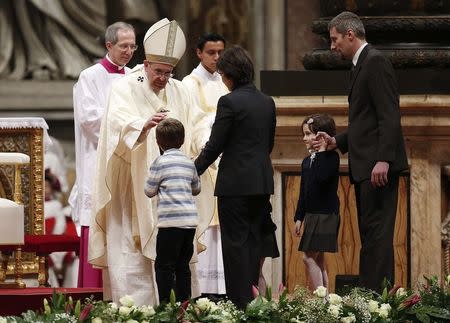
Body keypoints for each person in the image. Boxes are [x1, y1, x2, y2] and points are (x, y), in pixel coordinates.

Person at [88, 18, 209, 306]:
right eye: (158, 72)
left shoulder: (180, 90)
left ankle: (178, 307)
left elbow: (198, 122)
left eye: (168, 73)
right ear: (145, 65)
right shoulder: (125, 87)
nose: (163, 79)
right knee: (134, 250)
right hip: (134, 187)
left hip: (175, 196)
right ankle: (137, 310)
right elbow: (115, 125)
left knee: (176, 259)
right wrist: (142, 126)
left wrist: (205, 141)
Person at [315, 11, 408, 292]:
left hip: (377, 168)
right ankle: (372, 299)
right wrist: (337, 142)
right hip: (367, 166)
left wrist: (384, 159)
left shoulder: (375, 62)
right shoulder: (361, 65)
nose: (332, 46)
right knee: (371, 236)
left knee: (377, 236)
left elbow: (389, 115)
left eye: (335, 40)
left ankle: (377, 302)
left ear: (350, 35)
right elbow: (365, 123)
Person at [195, 45, 276, 309]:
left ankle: (240, 305)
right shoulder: (267, 101)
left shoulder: (228, 101)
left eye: (222, 75)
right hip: (261, 183)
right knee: (254, 245)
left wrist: (192, 170)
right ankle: (254, 303)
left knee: (235, 248)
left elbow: (215, 144)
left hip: (234, 186)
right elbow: (269, 144)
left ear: (230, 75)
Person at [70, 21, 137, 289]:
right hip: (98, 160)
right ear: (109, 45)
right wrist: (130, 125)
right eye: (124, 46)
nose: (129, 51)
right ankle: (92, 294)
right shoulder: (90, 76)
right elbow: (90, 119)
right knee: (98, 219)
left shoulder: (134, 76)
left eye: (133, 46)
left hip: (128, 161)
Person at [182, 32, 228, 297]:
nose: (217, 57)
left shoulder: (224, 82)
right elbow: (192, 122)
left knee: (223, 227)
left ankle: (223, 289)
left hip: (223, 162)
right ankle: (206, 290)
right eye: (211, 52)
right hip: (203, 160)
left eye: (220, 52)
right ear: (199, 53)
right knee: (206, 224)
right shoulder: (190, 83)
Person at [144, 118, 201, 303]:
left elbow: (149, 191)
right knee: (183, 266)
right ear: (183, 140)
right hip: (189, 223)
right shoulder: (189, 162)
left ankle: (165, 305)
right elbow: (196, 188)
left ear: (158, 142)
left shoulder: (159, 162)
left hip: (169, 223)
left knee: (164, 266)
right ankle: (185, 303)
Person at [294, 114, 340, 292]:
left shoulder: (331, 158)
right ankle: (326, 298)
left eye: (308, 134)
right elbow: (303, 192)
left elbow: (321, 178)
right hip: (313, 215)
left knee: (308, 257)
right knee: (318, 259)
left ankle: (320, 300)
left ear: (321, 136)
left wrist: (322, 151)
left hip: (326, 214)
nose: (304, 138)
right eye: (303, 134)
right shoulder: (307, 161)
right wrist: (299, 217)